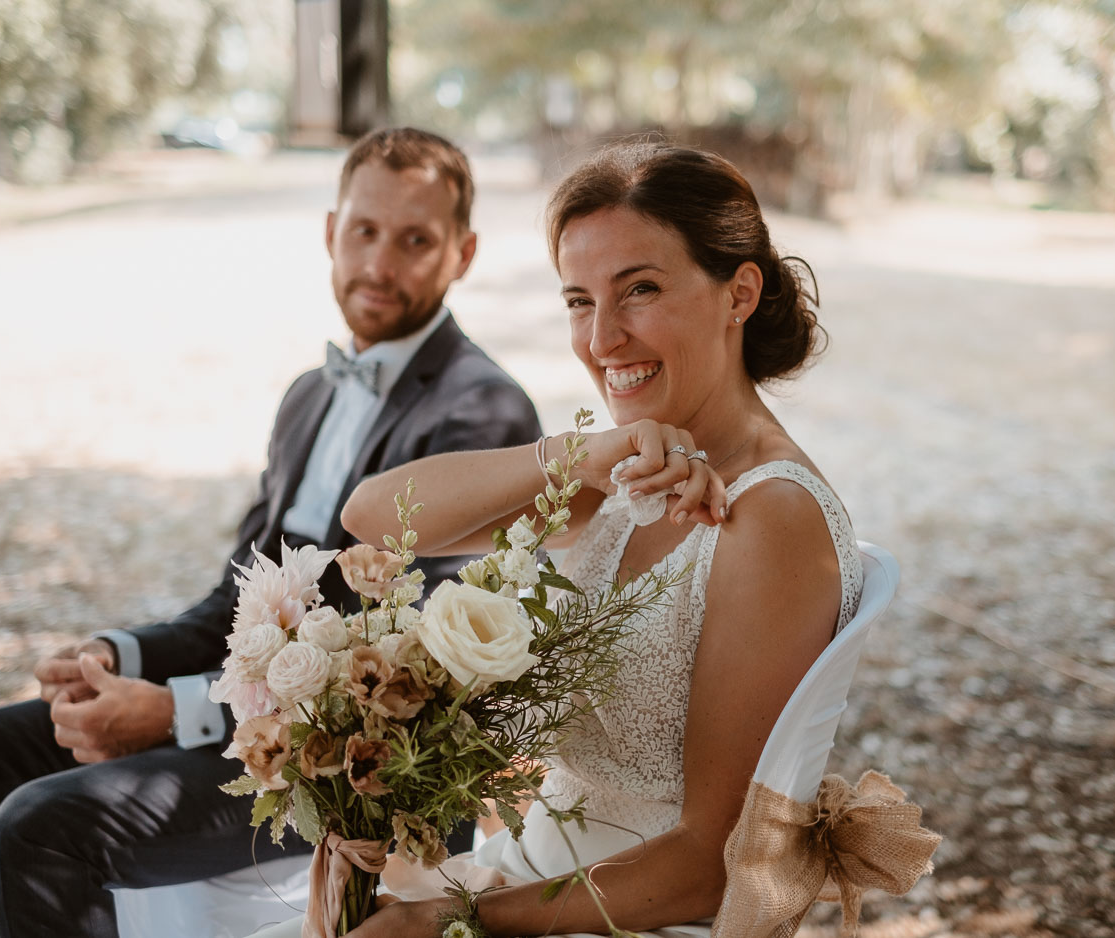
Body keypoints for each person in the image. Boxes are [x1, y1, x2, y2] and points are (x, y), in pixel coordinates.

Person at [0, 127, 542, 938]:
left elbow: (415, 683)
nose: (379, 264)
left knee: (38, 829)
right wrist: (122, 654)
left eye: (415, 241)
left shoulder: (482, 410)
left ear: (463, 253)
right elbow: (238, 599)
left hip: (350, 772)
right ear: (331, 232)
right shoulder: (307, 397)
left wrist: (175, 712)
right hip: (226, 716)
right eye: (364, 232)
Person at [322, 141, 869, 937]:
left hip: (629, 915)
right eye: (579, 300)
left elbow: (712, 862)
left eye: (640, 289)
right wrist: (577, 455)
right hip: (532, 871)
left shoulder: (772, 518)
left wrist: (454, 916)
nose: (603, 338)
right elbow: (372, 515)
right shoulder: (631, 472)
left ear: (739, 293)